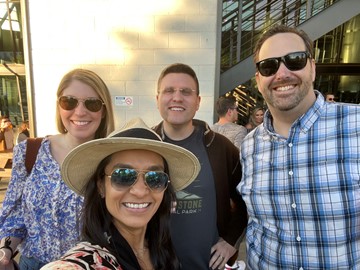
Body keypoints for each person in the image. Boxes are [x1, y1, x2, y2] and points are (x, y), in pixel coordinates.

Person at [238, 24, 360, 269]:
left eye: (295, 60)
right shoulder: (249, 146)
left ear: (313, 68)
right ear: (259, 78)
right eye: (269, 66)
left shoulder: (356, 126)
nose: (282, 73)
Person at [41, 117, 201, 269]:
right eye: (123, 176)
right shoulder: (89, 260)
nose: (139, 191)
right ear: (101, 186)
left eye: (155, 177)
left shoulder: (159, 248)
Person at [0, 68, 115, 270]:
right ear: (59, 106)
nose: (80, 112)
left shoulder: (111, 159)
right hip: (32, 265)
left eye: (92, 103)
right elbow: (16, 215)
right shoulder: (29, 152)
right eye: (69, 101)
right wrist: (5, 252)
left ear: (103, 110)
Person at [153, 63, 248, 270]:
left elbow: (246, 200)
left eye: (186, 92)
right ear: (157, 99)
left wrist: (231, 241)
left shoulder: (221, 148)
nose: (177, 97)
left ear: (197, 102)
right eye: (169, 91)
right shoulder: (145, 147)